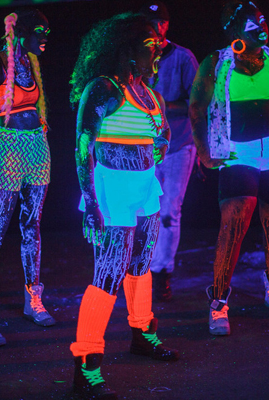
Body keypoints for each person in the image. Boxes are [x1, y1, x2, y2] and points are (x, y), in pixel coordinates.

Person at [190, 1, 269, 336]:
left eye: (264, 22)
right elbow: (196, 108)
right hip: (238, 152)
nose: (262, 29)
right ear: (234, 30)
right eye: (253, 25)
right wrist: (204, 153)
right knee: (234, 225)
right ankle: (218, 302)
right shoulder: (216, 63)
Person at [69, 12, 180, 399]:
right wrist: (90, 203)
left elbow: (162, 134)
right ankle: (86, 365)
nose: (157, 51)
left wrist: (162, 141)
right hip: (112, 191)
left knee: (140, 265)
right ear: (127, 49)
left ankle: (142, 333)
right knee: (108, 274)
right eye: (150, 46)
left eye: (159, 46)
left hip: (145, 188)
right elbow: (83, 148)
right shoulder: (103, 88)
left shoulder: (150, 94)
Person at [0, 8, 56, 347]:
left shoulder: (33, 64)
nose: (45, 38)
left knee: (32, 224)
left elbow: (38, 107)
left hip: (36, 146)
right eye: (40, 32)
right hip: (6, 148)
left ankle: (33, 298)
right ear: (21, 33)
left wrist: (43, 138)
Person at [139, 1, 199, 302]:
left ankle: (162, 273)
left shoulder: (183, 57)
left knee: (169, 212)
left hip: (177, 145)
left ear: (167, 24)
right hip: (142, 147)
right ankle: (141, 271)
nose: (157, 27)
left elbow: (198, 102)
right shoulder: (136, 54)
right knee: (143, 211)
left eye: (160, 22)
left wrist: (159, 105)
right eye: (151, 22)